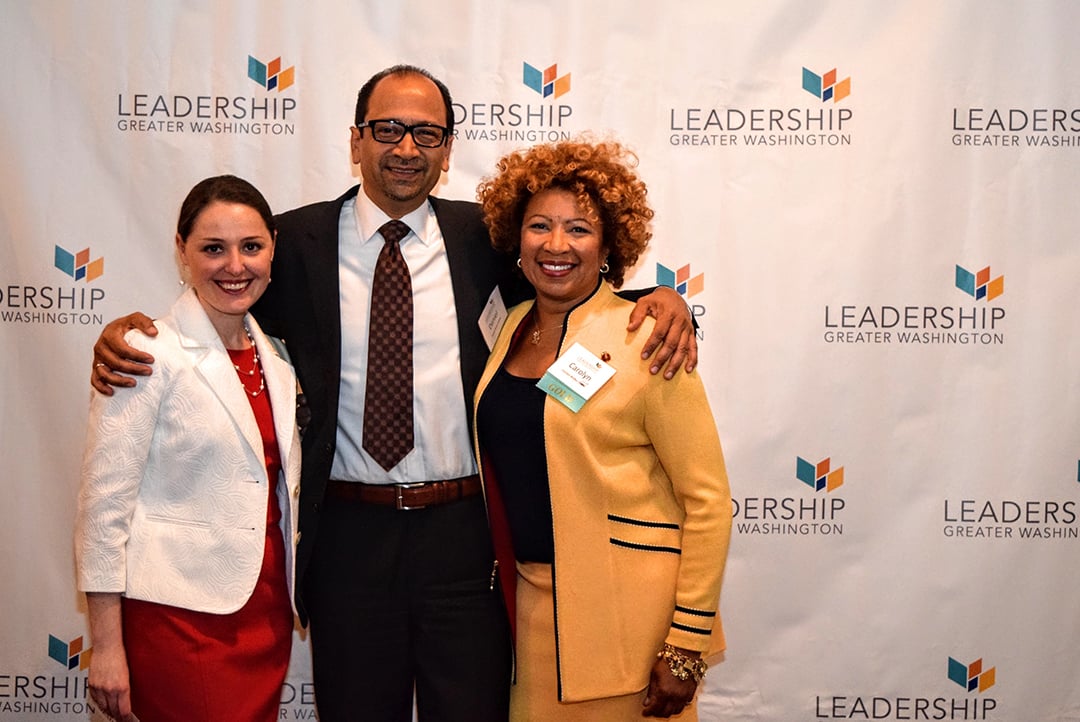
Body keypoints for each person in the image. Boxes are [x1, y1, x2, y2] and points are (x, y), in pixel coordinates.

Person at [89, 66, 699, 721]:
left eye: (427, 133)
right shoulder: (292, 243)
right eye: (388, 130)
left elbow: (568, 281)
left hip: (464, 541)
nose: (407, 149)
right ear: (356, 141)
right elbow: (220, 299)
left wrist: (662, 300)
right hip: (347, 538)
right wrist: (127, 328)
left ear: (447, 148)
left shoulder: (487, 238)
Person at [474, 139, 732, 720]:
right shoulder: (510, 326)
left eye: (580, 229)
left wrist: (686, 644)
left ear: (611, 245)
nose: (556, 245)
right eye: (539, 226)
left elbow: (709, 501)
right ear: (517, 241)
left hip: (630, 626)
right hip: (528, 620)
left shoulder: (649, 339)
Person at [75, 175, 300, 722]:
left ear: (272, 247)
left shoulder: (276, 356)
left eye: (251, 247)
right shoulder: (145, 351)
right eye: (212, 249)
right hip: (178, 620)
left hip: (267, 612)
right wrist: (106, 646)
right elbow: (103, 509)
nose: (235, 265)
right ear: (181, 250)